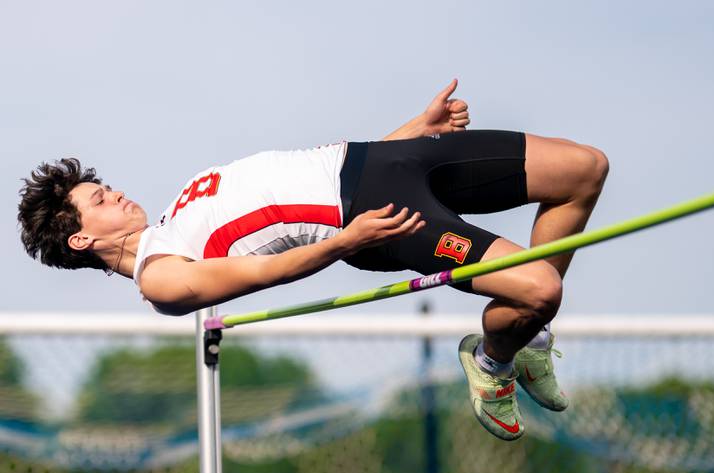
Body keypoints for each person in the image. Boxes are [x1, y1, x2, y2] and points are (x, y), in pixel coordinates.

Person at [18, 80, 608, 441]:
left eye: (105, 187)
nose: (115, 193)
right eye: (100, 200)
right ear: (80, 240)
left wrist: (409, 132)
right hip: (373, 219)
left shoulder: (180, 207)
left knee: (584, 168)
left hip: (384, 161)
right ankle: (495, 360)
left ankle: (526, 339)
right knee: (539, 290)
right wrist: (346, 242)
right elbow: (262, 271)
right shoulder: (163, 275)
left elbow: (310, 177)